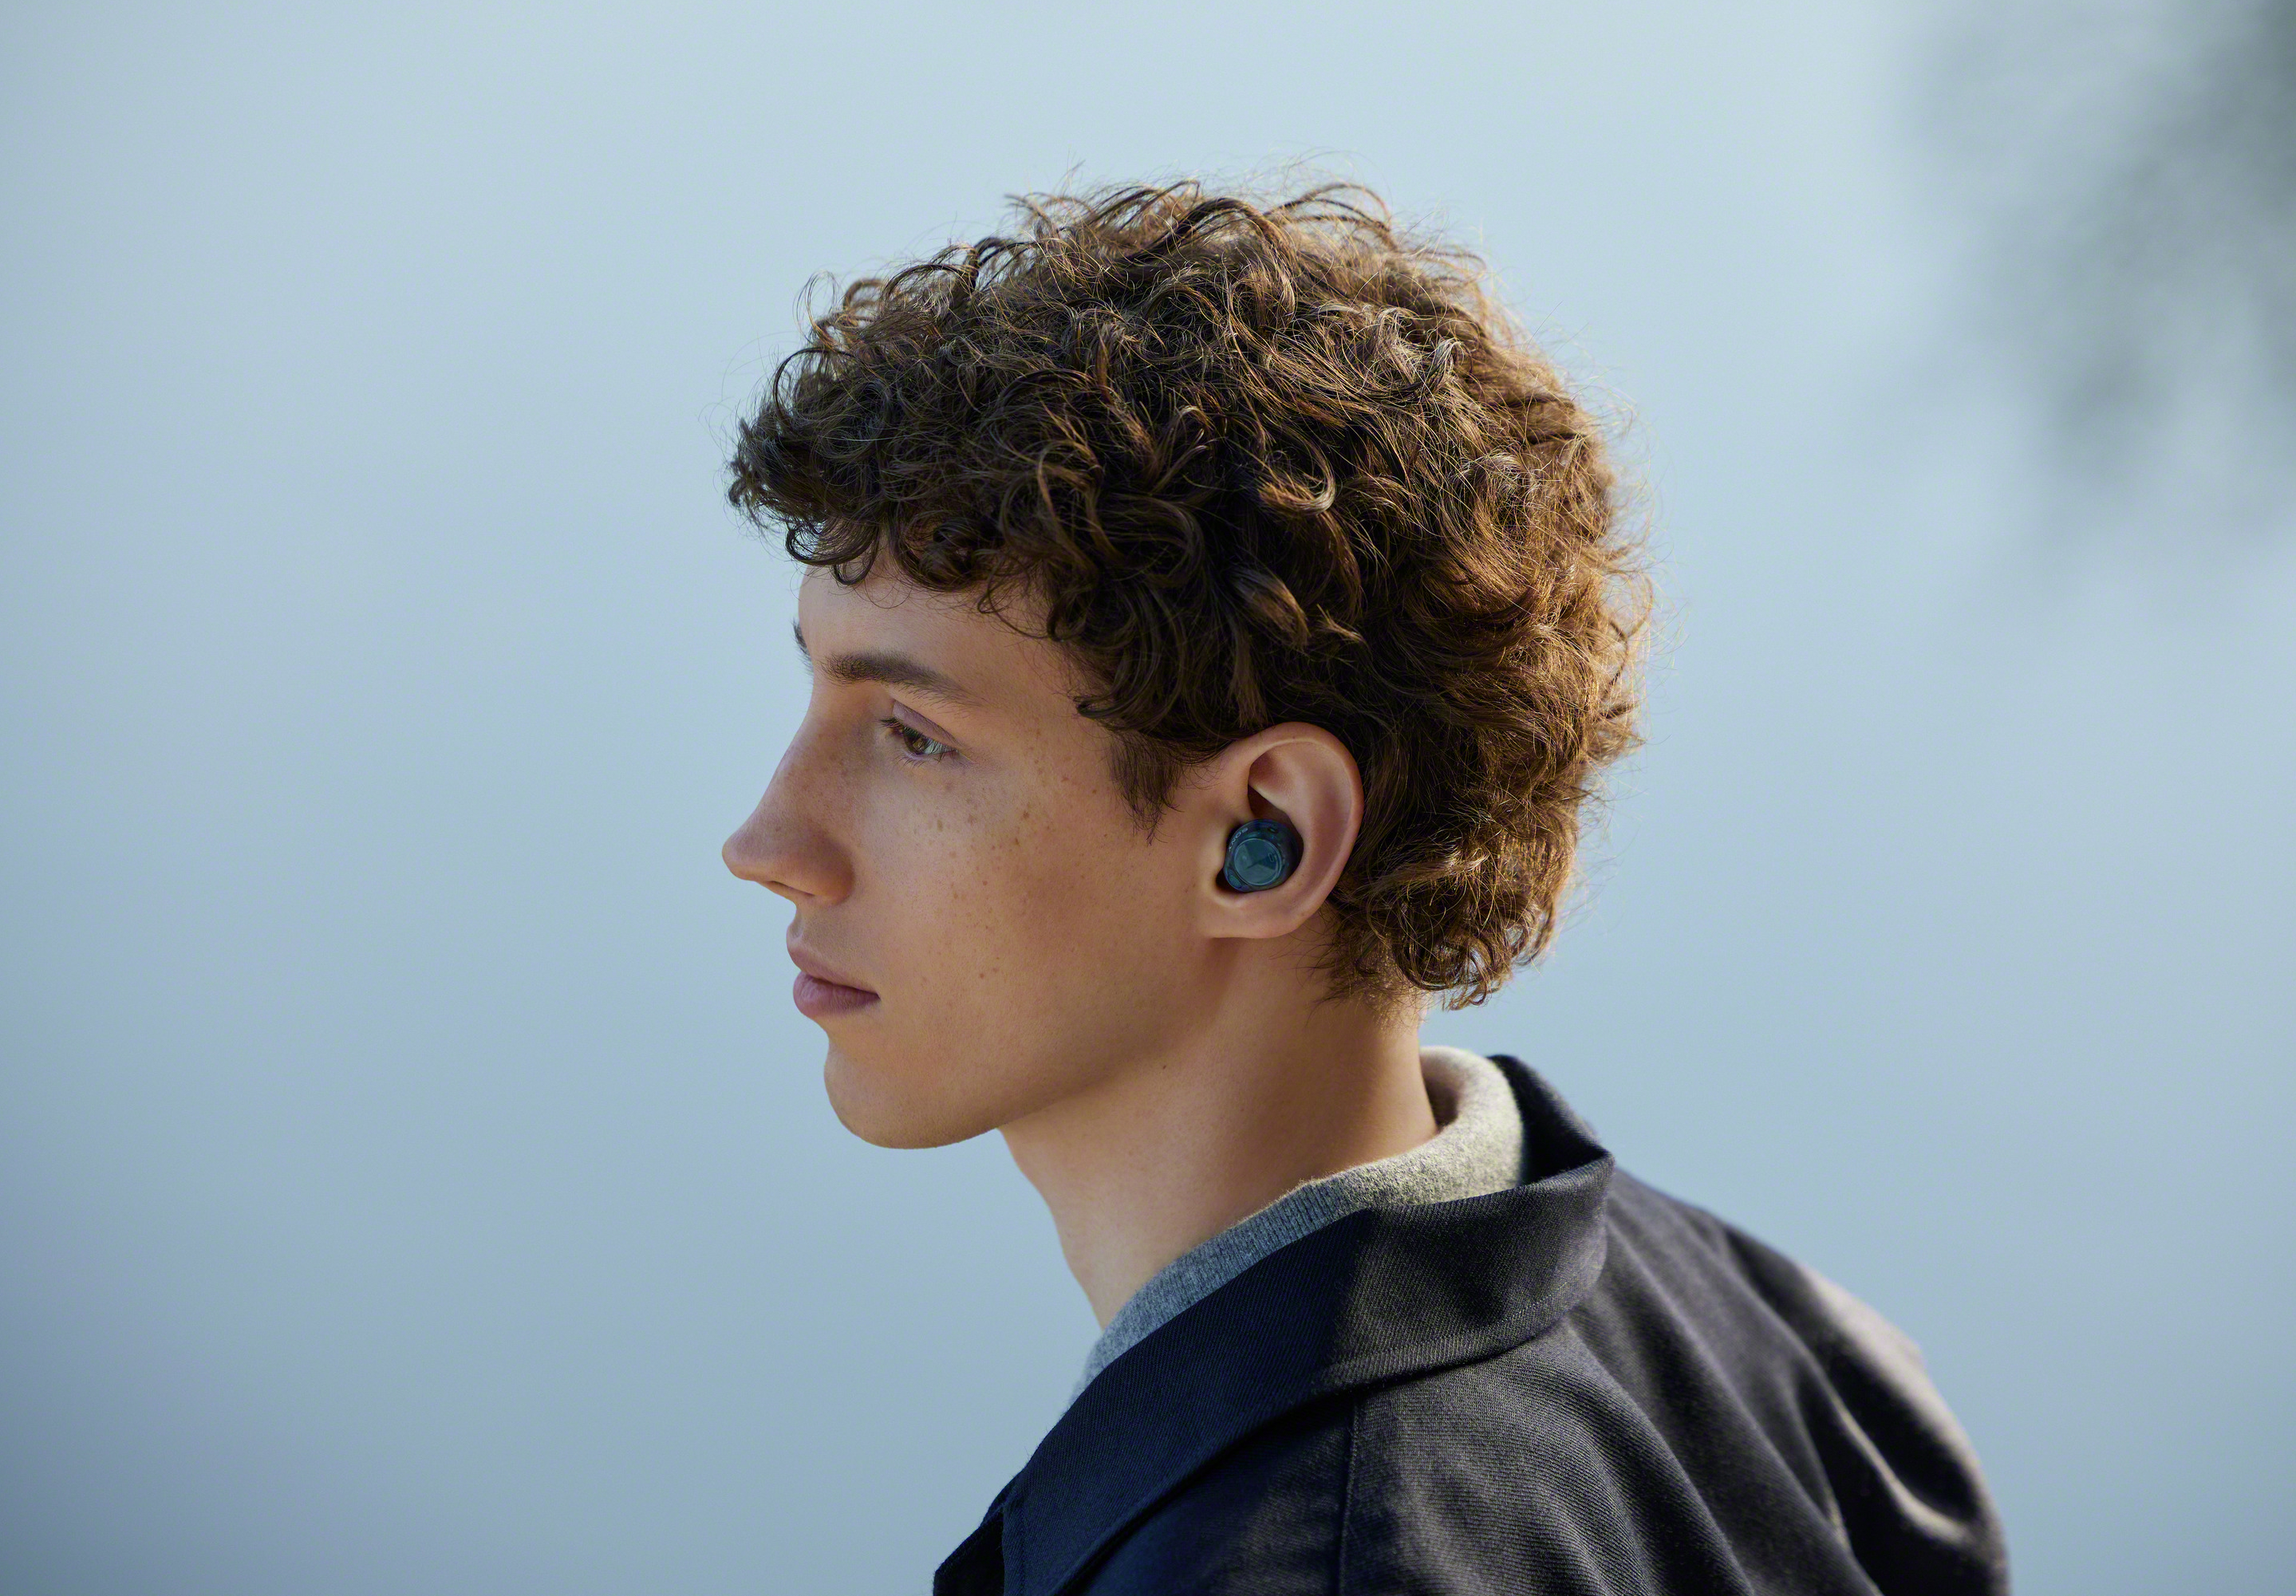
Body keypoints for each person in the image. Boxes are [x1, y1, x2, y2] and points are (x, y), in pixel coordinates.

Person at [720, 180, 2008, 1596]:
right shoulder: (1790, 1343)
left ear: (1262, 832)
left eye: (913, 735)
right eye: (817, 691)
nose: (768, 841)